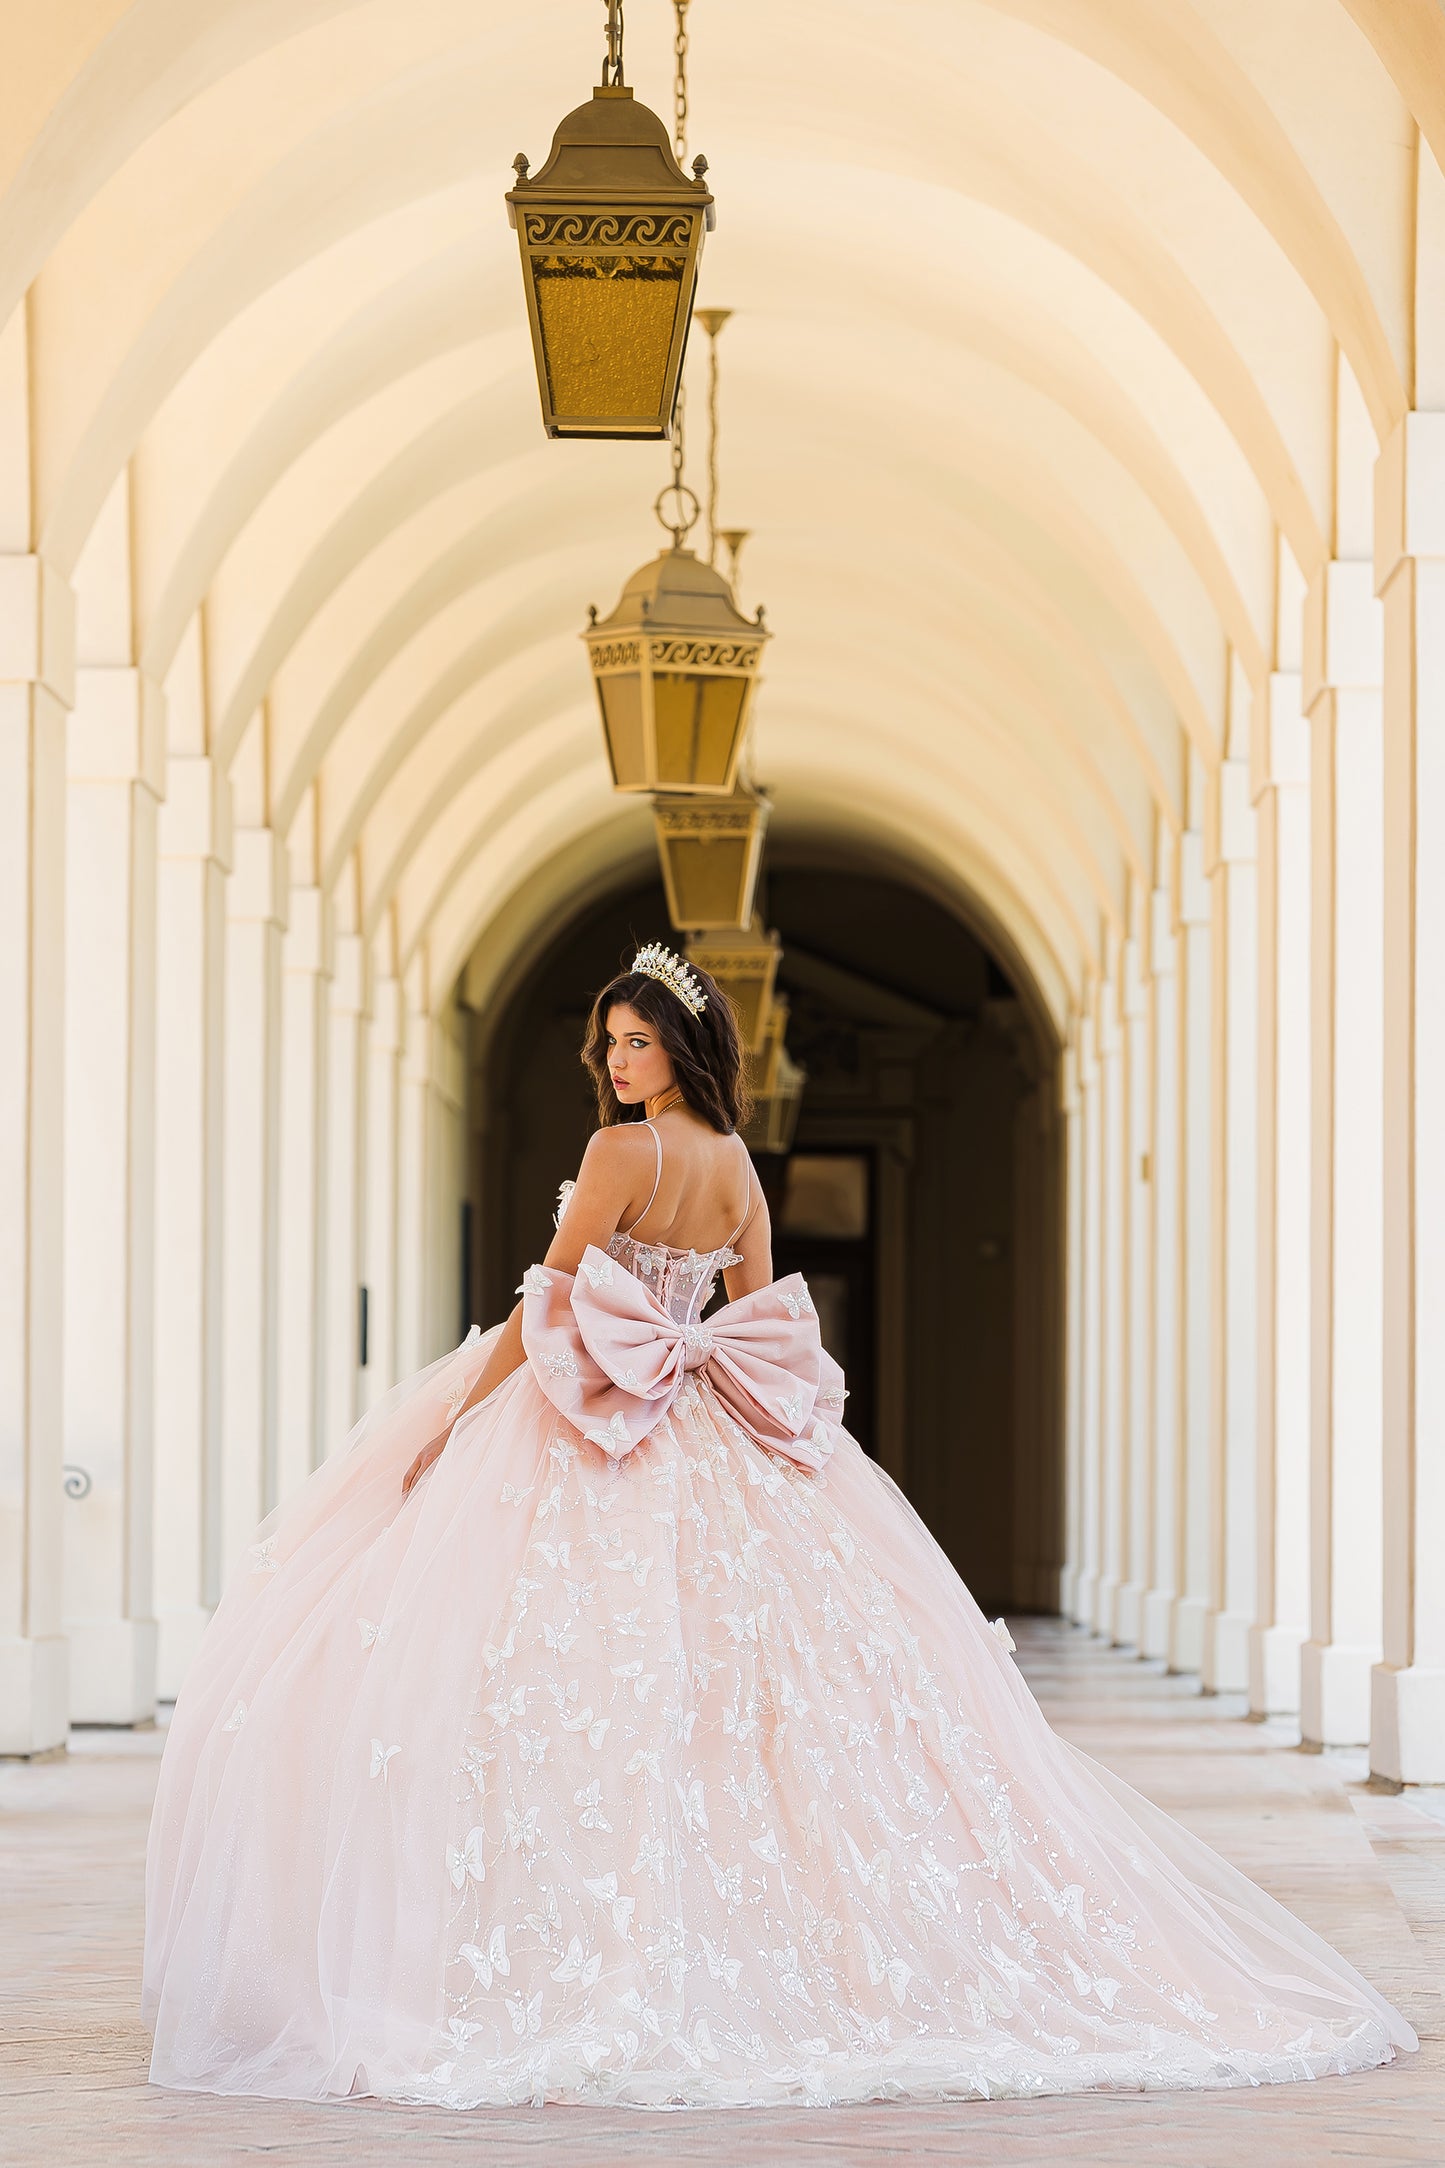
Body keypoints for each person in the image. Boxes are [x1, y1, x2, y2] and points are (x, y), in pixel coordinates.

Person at [142, 942, 1415, 2111]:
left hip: (599, 1418)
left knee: (543, 1672)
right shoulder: (736, 1167)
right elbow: (756, 1325)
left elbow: (549, 1299)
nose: (615, 1061)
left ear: (680, 1051)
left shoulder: (616, 1155)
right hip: (696, 1424)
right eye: (609, 1045)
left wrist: (440, 1423)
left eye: (634, 1043)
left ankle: (562, 1954)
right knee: (706, 1690)